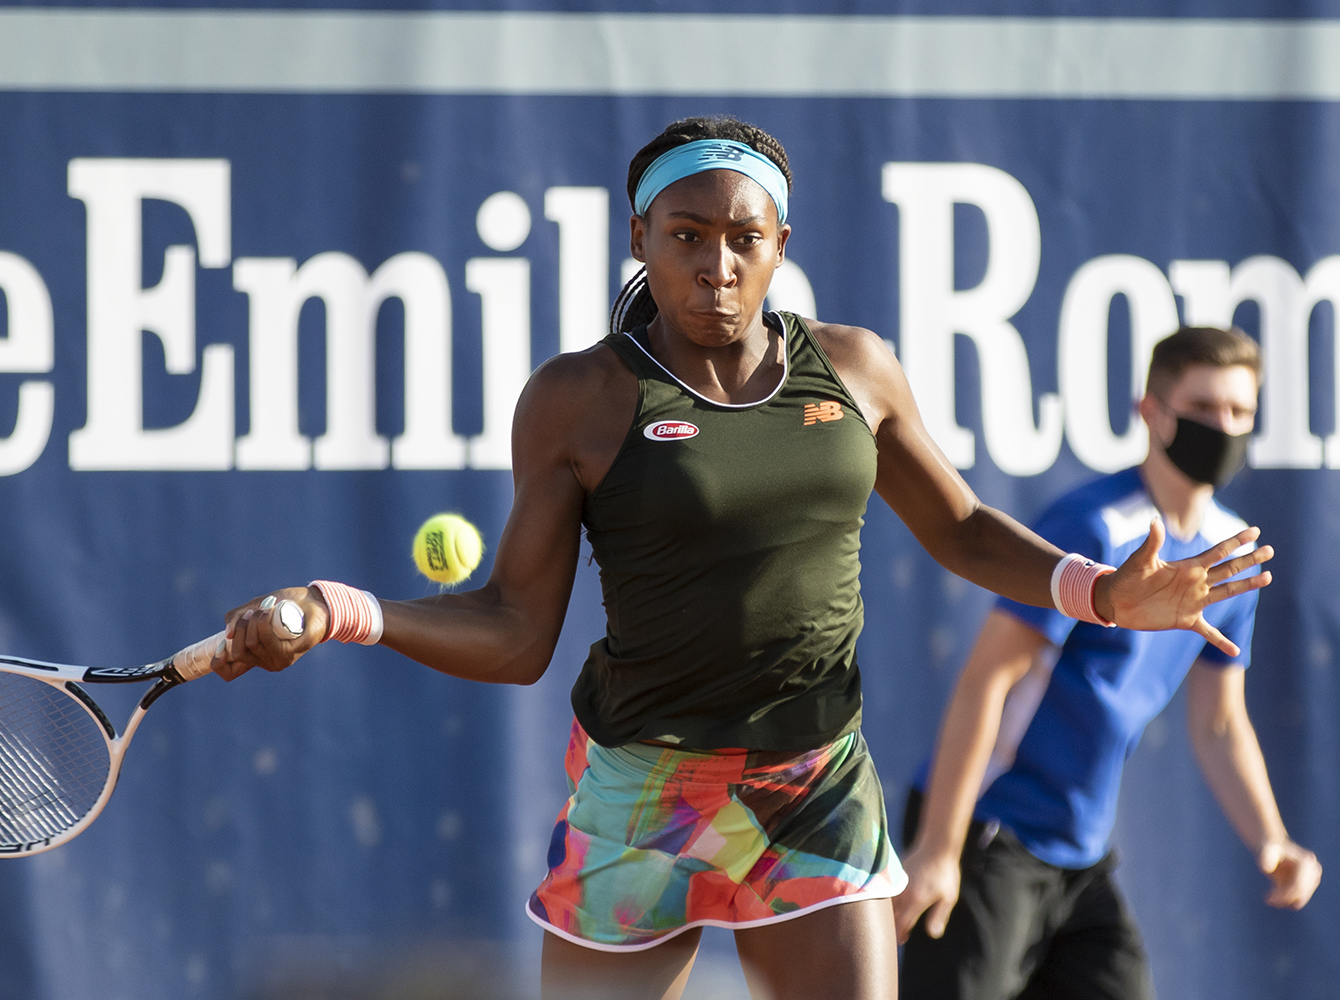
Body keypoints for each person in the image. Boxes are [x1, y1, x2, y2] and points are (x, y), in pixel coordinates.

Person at [210, 119, 1272, 1000]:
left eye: (742, 238)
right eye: (686, 235)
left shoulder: (856, 368)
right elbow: (515, 632)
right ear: (641, 237)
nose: (716, 263)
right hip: (643, 795)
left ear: (779, 243)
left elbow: (958, 527)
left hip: (815, 785)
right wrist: (340, 608)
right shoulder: (579, 398)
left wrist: (1099, 593)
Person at [893, 326, 1321, 1000]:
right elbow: (989, 682)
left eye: (1240, 412)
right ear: (1150, 412)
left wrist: (1272, 838)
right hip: (987, 834)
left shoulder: (1226, 561)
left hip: (1081, 856)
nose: (1224, 426)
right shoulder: (1094, 528)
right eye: (1204, 408)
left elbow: (1218, 723)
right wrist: (940, 850)